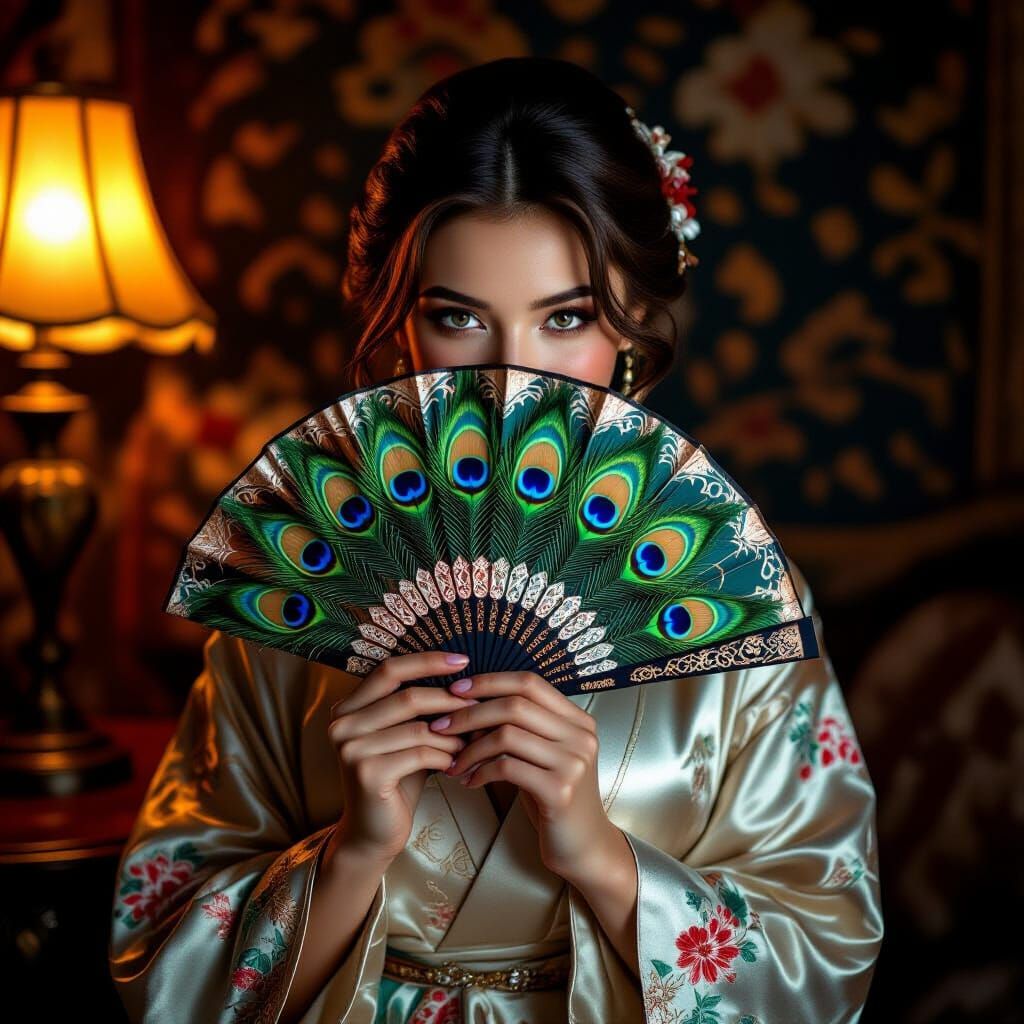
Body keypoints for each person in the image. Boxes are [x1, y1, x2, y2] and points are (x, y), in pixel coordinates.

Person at [108, 56, 883, 1024]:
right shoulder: (289, 588)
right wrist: (353, 849)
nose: (514, 375)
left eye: (566, 318)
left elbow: (828, 949)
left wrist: (593, 847)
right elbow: (159, 952)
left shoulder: (742, 599)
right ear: (402, 332)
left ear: (633, 325)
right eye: (458, 317)